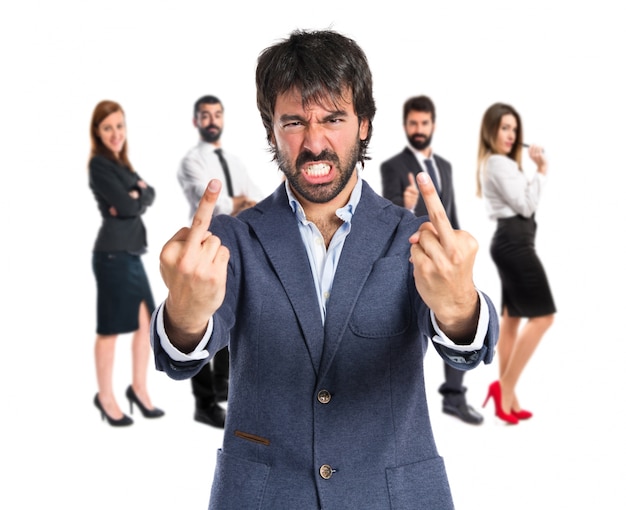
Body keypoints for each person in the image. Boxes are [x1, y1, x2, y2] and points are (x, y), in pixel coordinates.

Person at [151, 29, 498, 509]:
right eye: (293, 121)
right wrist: (185, 316)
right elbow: (179, 355)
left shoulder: (412, 238)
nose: (314, 143)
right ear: (271, 129)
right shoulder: (235, 239)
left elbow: (468, 352)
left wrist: (460, 305)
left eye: (333, 118)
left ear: (364, 125)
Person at [380, 95, 484, 425]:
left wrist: (458, 253)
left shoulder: (446, 167)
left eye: (424, 123)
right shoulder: (393, 166)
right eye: (413, 123)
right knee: (407, 331)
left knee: (456, 320)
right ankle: (397, 403)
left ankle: (454, 396)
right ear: (405, 126)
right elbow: (387, 215)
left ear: (433, 125)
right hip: (409, 257)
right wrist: (407, 205)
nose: (419, 129)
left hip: (445, 260)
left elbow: (448, 214)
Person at [177, 95, 264, 428]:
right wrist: (236, 201)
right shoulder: (191, 161)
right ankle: (204, 402)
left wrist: (243, 201)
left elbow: (254, 196)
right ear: (196, 121)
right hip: (203, 247)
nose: (212, 120)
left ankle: (224, 384)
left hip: (235, 246)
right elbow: (210, 201)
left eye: (217, 115)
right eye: (205, 115)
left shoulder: (233, 159)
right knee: (197, 320)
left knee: (231, 315)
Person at [476, 102, 556, 425]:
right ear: (491, 130)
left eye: (514, 128)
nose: (510, 134)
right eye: (504, 127)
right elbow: (526, 205)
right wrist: (542, 170)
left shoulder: (503, 164)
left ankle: (508, 400)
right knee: (543, 317)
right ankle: (504, 388)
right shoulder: (497, 163)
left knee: (512, 318)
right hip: (513, 242)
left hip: (515, 241)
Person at [88, 100, 164, 426]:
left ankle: (139, 388)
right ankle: (105, 397)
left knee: (147, 324)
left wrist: (137, 195)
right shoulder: (100, 165)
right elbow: (129, 205)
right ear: (98, 132)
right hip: (112, 255)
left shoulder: (123, 164)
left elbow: (150, 195)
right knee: (110, 329)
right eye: (108, 128)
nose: (115, 133)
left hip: (131, 253)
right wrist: (134, 196)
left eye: (119, 126)